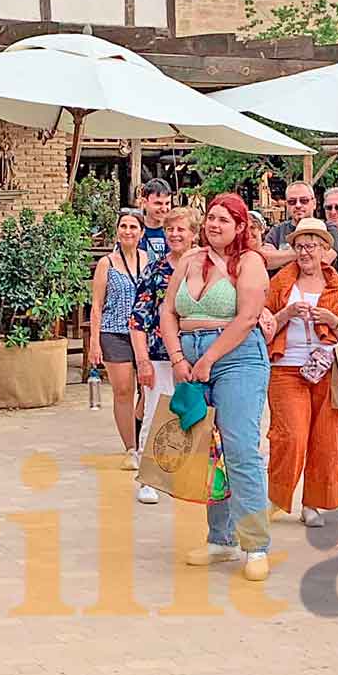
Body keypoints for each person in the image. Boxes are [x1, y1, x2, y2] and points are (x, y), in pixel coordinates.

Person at [161, 193, 273, 579]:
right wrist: (177, 357)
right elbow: (167, 310)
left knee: (241, 447)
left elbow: (247, 318)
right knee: (209, 449)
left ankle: (255, 544)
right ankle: (220, 538)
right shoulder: (190, 260)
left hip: (237, 357)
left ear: (240, 226)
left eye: (224, 220)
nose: (214, 225)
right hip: (189, 356)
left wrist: (208, 360)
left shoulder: (250, 262)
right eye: (211, 217)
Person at [263, 217, 338, 524]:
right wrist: (286, 313)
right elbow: (264, 329)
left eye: (311, 246)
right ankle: (276, 496)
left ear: (325, 249)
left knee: (326, 438)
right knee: (291, 436)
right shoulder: (280, 284)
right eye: (299, 246)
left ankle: (312, 503)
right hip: (286, 367)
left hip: (327, 369)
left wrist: (330, 319)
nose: (305, 252)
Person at [130, 205, 200, 503]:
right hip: (160, 354)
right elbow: (138, 318)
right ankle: (150, 477)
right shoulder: (157, 270)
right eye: (170, 229)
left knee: (196, 413)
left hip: (198, 352)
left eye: (181, 229)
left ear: (194, 234)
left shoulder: (206, 266)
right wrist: (142, 360)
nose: (174, 234)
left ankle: (188, 472)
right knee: (155, 412)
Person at [86, 210, 151, 466]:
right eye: (123, 226)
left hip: (144, 333)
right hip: (114, 331)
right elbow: (97, 305)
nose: (128, 231)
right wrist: (94, 343)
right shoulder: (107, 263)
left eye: (133, 226)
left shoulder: (149, 259)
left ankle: (141, 435)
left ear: (141, 232)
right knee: (123, 390)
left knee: (148, 390)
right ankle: (130, 448)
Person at [261, 179, 320, 271]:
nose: (298, 205)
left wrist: (281, 256)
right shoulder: (277, 231)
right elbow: (266, 260)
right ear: (287, 205)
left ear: (314, 203)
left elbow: (326, 258)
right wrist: (311, 252)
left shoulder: (328, 228)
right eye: (292, 202)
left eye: (304, 200)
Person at [137, 177, 174, 263]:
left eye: (167, 203)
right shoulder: (133, 230)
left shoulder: (175, 231)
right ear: (144, 202)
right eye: (158, 203)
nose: (164, 209)